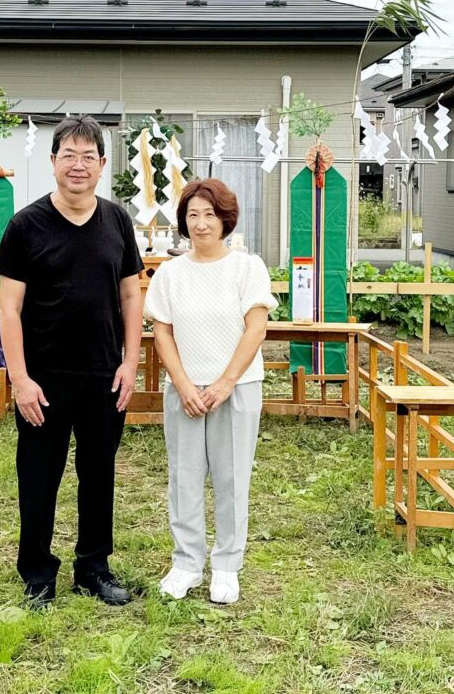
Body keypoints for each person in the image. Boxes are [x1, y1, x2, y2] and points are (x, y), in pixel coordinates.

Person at [0, 115, 144, 608]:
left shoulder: (117, 221)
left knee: (98, 474)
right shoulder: (25, 226)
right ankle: (37, 573)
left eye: (88, 156)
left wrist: (131, 361)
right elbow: (8, 307)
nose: (78, 165)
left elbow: (130, 296)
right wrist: (19, 379)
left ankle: (93, 568)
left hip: (104, 374)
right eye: (68, 156)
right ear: (53, 161)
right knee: (39, 476)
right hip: (43, 378)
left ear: (102, 165)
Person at [144, 178, 277, 604]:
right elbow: (161, 331)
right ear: (183, 222)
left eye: (209, 215)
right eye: (192, 215)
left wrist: (224, 383)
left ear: (225, 220)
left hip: (236, 388)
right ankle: (186, 563)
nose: (201, 224)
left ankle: (226, 566)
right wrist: (183, 384)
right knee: (184, 478)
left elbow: (256, 327)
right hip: (184, 389)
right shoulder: (170, 273)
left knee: (231, 476)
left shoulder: (247, 267)